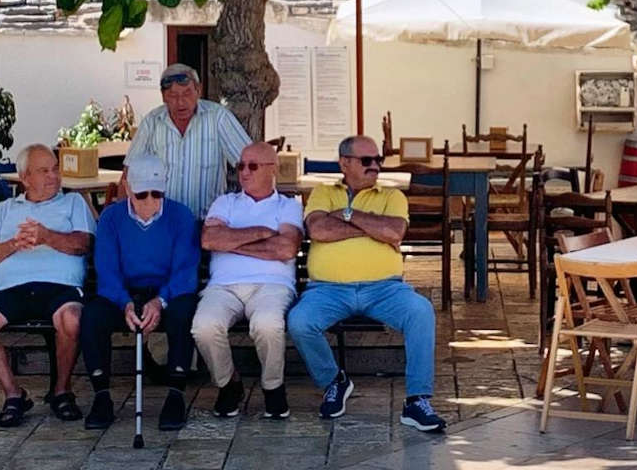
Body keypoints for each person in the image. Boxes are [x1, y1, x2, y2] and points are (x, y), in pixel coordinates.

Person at [287, 136, 446, 432]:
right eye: (366, 161)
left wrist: (347, 215)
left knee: (421, 311)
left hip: (384, 288)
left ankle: (417, 401)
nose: (375, 166)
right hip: (328, 289)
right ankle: (334, 381)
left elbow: (394, 231)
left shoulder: (392, 196)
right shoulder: (323, 192)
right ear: (344, 163)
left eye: (378, 160)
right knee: (299, 321)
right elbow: (319, 229)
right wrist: (372, 228)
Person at [0, 144, 96, 428]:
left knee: (72, 320)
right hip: (11, 290)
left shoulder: (72, 203)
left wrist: (46, 236)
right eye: (44, 171)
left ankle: (62, 391)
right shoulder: (4, 210)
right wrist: (15, 244)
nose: (54, 176)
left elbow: (84, 244)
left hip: (60, 288)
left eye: (55, 169)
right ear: (25, 178)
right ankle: (14, 395)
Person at [80, 155, 199, 431]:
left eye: (157, 193)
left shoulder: (180, 215)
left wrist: (160, 301)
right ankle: (101, 395)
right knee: (92, 316)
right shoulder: (112, 217)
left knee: (183, 312)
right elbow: (107, 271)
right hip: (125, 294)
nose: (150, 201)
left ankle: (176, 394)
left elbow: (185, 271)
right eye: (142, 194)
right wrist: (125, 304)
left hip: (166, 292)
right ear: (129, 190)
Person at [191, 142, 303, 419]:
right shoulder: (225, 202)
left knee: (267, 324)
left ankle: (273, 387)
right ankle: (228, 384)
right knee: (203, 326)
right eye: (240, 165)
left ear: (273, 169)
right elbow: (209, 239)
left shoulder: (288, 206)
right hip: (223, 287)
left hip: (272, 286)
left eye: (252, 166)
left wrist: (232, 242)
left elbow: (286, 249)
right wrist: (262, 232)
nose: (244, 172)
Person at [125, 63, 251, 219]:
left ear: (198, 91)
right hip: (161, 223)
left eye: (187, 94)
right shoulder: (152, 122)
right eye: (173, 95)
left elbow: (251, 163)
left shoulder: (218, 117)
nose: (181, 102)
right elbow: (129, 174)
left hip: (207, 223)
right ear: (163, 96)